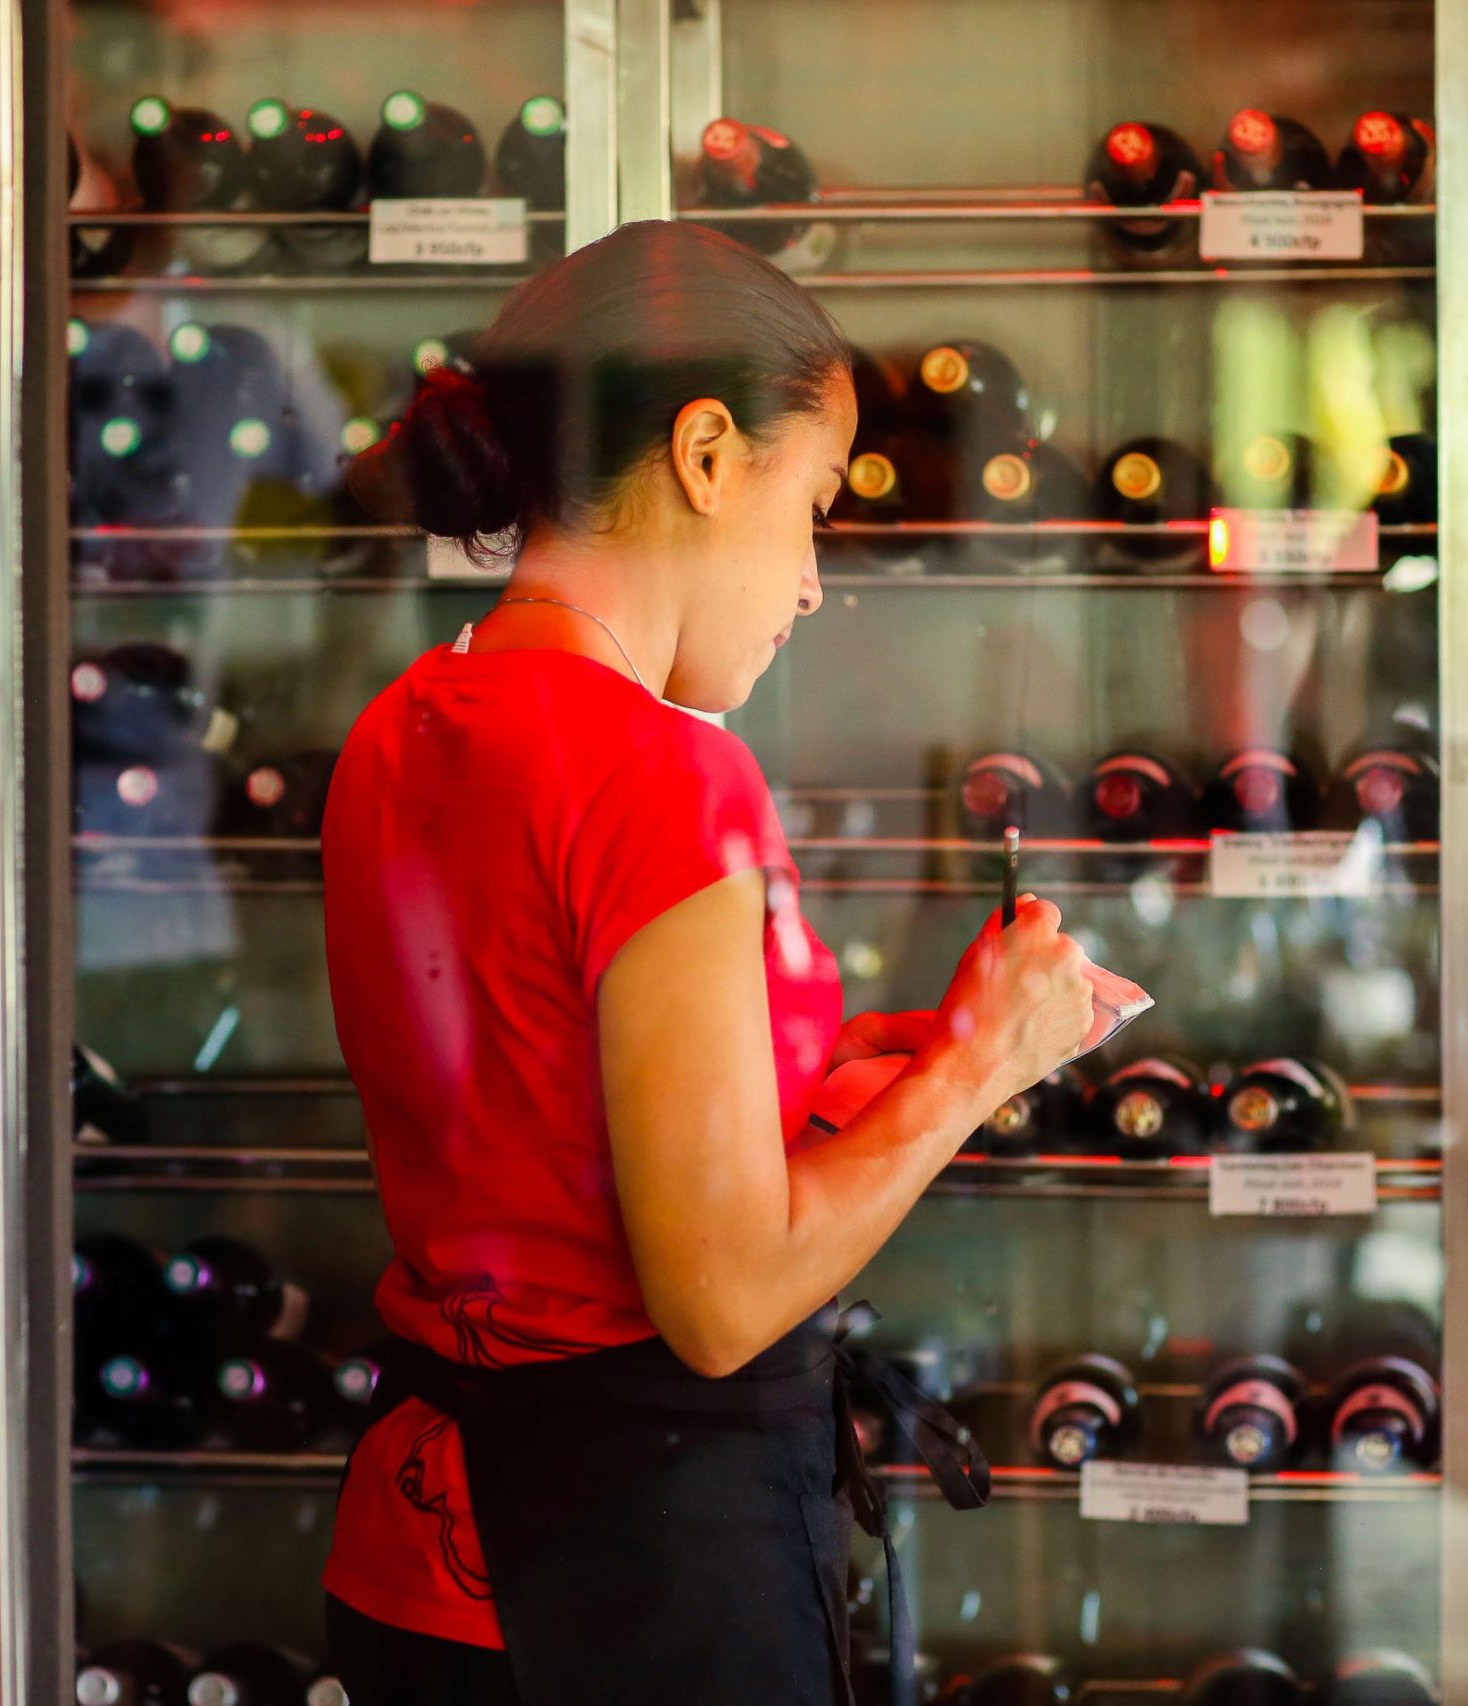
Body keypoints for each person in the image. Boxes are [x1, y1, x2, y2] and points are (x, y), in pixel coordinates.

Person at [319, 219, 1097, 1706]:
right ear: (705, 455)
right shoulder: (665, 774)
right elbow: (722, 1295)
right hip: (636, 1574)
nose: (810, 583)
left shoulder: (405, 724)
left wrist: (869, 1059)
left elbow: (534, 1098)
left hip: (425, 1550)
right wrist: (985, 1066)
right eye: (811, 505)